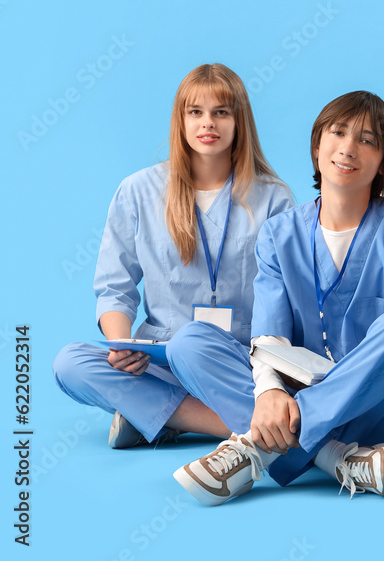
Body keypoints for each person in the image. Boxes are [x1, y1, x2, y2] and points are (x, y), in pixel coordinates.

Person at [170, 91, 384, 506]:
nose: (348, 148)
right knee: (189, 343)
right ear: (317, 145)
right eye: (337, 132)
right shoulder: (278, 234)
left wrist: (289, 409)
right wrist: (269, 393)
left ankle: (257, 446)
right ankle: (336, 458)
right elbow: (269, 337)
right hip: (353, 441)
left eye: (368, 140)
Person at [53, 64, 293, 448]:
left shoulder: (272, 197)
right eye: (195, 111)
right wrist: (121, 346)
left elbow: (283, 295)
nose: (207, 123)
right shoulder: (137, 191)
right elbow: (115, 289)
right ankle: (232, 426)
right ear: (180, 120)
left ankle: (155, 415)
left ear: (239, 121)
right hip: (159, 359)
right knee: (69, 364)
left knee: (193, 345)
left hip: (233, 363)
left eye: (221, 112)